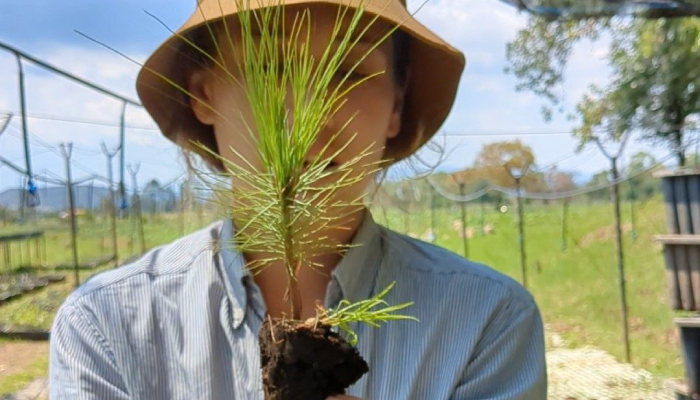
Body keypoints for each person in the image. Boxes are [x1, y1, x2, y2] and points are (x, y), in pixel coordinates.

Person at [49, 0, 547, 399]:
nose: (309, 111)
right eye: (271, 67)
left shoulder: (485, 322)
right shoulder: (106, 326)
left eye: (349, 72)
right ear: (203, 94)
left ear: (396, 105)